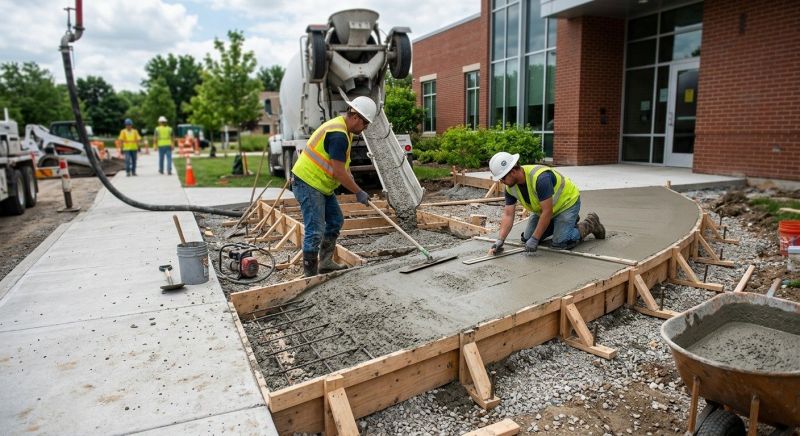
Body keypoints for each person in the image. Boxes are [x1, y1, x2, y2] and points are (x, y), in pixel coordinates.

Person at [291, 96, 377, 277]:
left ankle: (325, 262)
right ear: (356, 117)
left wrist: (356, 187)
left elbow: (344, 168)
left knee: (335, 220)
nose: (365, 128)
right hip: (308, 183)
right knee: (315, 230)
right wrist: (358, 192)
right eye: (365, 124)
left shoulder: (345, 130)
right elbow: (338, 172)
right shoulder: (338, 135)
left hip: (321, 185)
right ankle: (310, 276)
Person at [487, 151, 605, 256]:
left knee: (560, 243)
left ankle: (590, 223)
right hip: (544, 210)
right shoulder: (510, 188)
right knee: (527, 238)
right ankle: (564, 223)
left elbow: (547, 212)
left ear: (512, 171)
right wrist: (500, 240)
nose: (501, 181)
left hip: (566, 204)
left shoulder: (540, 178)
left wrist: (535, 238)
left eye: (502, 178)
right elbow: (508, 214)